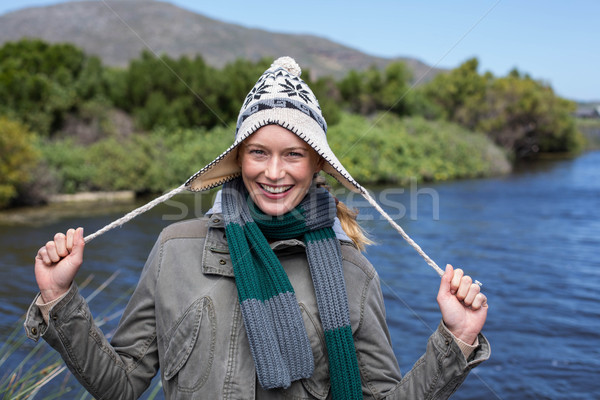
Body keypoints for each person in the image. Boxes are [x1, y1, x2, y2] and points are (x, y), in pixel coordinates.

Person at [25, 57, 490, 399]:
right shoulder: (174, 249)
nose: (274, 172)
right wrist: (59, 300)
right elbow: (123, 386)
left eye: (293, 154)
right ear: (237, 161)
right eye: (258, 152)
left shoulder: (353, 273)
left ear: (316, 167)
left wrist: (457, 340)